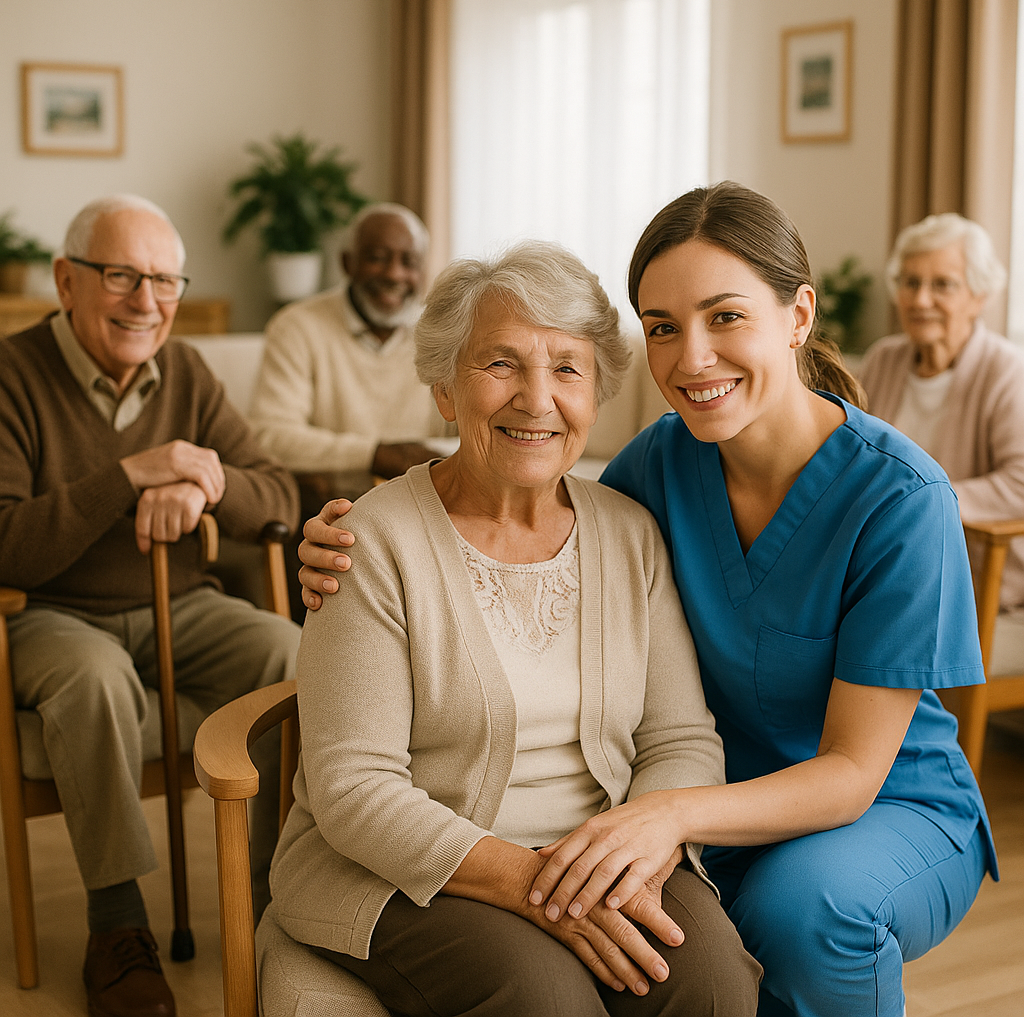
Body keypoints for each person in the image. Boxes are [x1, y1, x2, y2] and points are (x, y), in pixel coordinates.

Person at [296, 183, 997, 1017]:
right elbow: (528, 508)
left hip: (866, 803)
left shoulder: (900, 497)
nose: (692, 357)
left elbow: (843, 772)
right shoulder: (659, 468)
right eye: (662, 327)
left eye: (725, 317)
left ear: (798, 317)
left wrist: (661, 819)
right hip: (695, 807)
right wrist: (343, 548)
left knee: (793, 915)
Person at [269, 241, 761, 1017]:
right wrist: (534, 885)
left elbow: (680, 740)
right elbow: (354, 788)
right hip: (407, 868)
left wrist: (633, 856)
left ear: (596, 394)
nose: (537, 400)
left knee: (711, 981)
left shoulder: (630, 533)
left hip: (600, 853)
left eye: (567, 368)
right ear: (443, 388)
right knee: (545, 998)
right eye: (500, 364)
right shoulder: (370, 542)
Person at [0, 195, 301, 1017]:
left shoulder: (192, 375)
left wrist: (206, 477)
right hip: (50, 616)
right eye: (122, 276)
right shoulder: (12, 375)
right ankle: (117, 926)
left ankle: (283, 898)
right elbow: (5, 541)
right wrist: (130, 475)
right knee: (95, 680)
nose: (147, 301)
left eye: (164, 280)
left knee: (294, 655)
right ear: (67, 281)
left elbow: (277, 494)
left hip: (184, 608)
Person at [860, 213, 1024, 617]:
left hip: (969, 575)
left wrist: (923, 502)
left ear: (979, 296)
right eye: (910, 283)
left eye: (943, 285)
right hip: (882, 562)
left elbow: (1020, 483)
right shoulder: (884, 359)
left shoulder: (1006, 370)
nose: (920, 300)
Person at [248, 202, 449, 501]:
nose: (394, 274)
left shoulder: (441, 332)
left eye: (409, 262)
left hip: (430, 501)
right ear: (347, 263)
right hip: (335, 508)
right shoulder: (296, 326)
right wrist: (375, 454)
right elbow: (271, 437)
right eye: (378, 258)